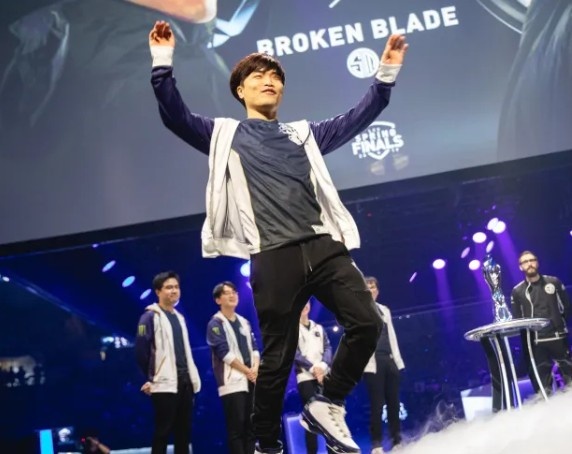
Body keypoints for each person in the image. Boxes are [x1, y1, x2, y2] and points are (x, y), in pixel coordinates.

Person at [149, 20, 408, 454]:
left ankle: (328, 403)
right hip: (273, 255)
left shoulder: (304, 133)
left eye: (275, 77)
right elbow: (175, 115)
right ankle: (267, 445)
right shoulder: (225, 134)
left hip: (323, 247)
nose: (269, 81)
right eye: (258, 76)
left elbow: (359, 116)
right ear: (241, 90)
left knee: (368, 322)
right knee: (276, 359)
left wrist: (385, 75)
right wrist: (162, 61)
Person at [135, 271, 201, 454]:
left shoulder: (180, 317)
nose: (174, 291)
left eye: (176, 287)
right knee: (163, 431)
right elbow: (141, 350)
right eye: (169, 287)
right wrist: (149, 378)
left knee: (184, 433)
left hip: (185, 381)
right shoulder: (149, 317)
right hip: (163, 383)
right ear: (158, 291)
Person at [206, 281, 259, 454]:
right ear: (218, 300)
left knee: (252, 427)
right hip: (231, 382)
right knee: (237, 428)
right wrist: (247, 370)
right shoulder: (215, 323)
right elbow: (224, 353)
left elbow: (254, 349)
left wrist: (255, 369)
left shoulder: (244, 322)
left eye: (234, 292)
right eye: (227, 293)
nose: (232, 295)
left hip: (251, 380)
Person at [510, 251, 571, 393]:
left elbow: (566, 307)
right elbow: (518, 318)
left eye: (532, 260)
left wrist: (559, 324)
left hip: (558, 336)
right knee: (542, 384)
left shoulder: (553, 282)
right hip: (535, 342)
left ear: (537, 263)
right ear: (520, 267)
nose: (529, 264)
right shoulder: (517, 291)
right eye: (525, 262)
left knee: (569, 375)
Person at [362, 277, 405, 454]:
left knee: (394, 403)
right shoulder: (358, 309)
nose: (371, 290)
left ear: (377, 291)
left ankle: (396, 440)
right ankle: (376, 444)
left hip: (389, 359)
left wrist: (397, 361)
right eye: (367, 287)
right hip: (372, 363)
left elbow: (392, 336)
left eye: (373, 287)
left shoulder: (385, 310)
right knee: (376, 405)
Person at [294, 301, 334, 454]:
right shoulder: (291, 330)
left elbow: (328, 348)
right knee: (312, 420)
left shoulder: (319, 328)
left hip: (323, 376)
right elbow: (294, 354)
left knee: (330, 417)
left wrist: (322, 366)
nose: (304, 305)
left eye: (306, 302)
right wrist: (313, 368)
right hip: (305, 379)